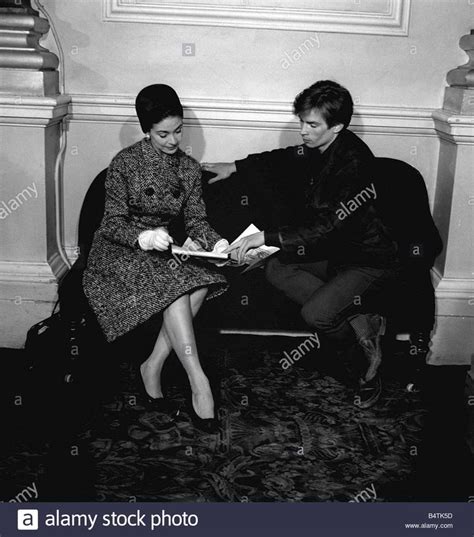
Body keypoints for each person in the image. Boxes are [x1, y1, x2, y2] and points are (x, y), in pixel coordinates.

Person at [202, 80, 400, 408]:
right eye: (301, 122)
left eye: (312, 125)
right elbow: (281, 160)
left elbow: (328, 227)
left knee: (316, 315)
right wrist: (235, 166)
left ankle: (366, 364)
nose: (303, 132)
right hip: (338, 252)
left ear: (337, 126)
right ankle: (362, 322)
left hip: (368, 258)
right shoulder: (318, 148)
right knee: (278, 268)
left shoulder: (355, 165)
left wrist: (265, 237)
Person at [83, 84, 229, 432]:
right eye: (163, 133)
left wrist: (218, 242)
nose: (173, 140)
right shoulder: (124, 163)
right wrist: (142, 236)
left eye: (178, 131)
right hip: (120, 251)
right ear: (146, 129)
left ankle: (151, 365)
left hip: (163, 248)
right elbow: (111, 223)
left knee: (198, 286)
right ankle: (199, 383)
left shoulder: (189, 169)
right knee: (179, 288)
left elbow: (196, 221)